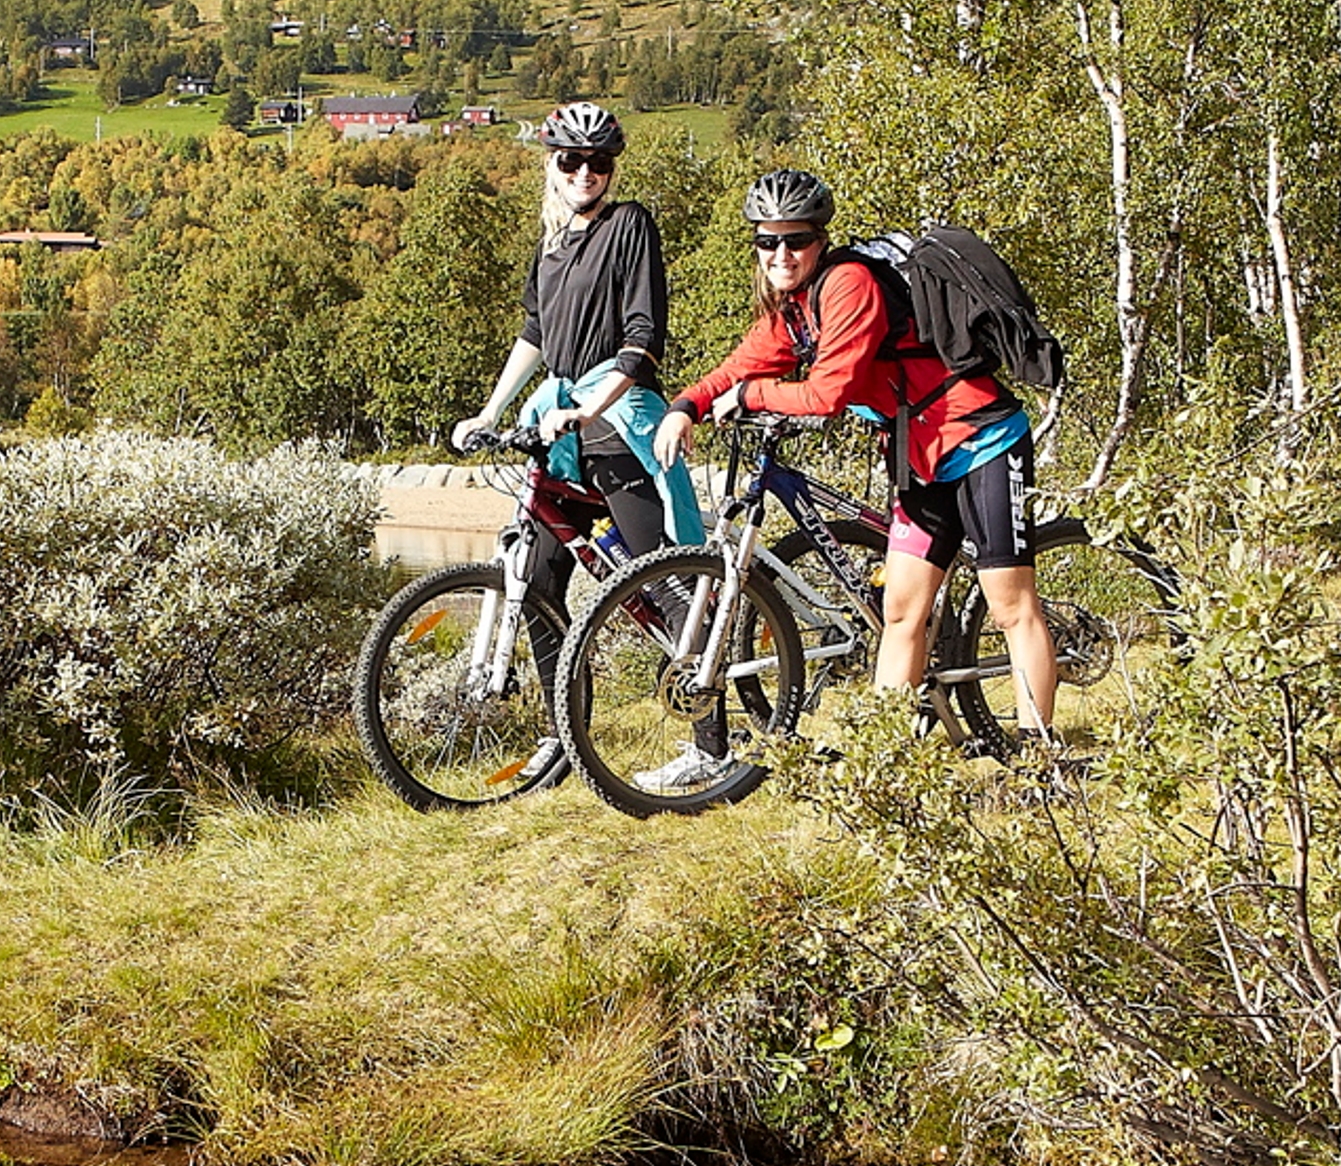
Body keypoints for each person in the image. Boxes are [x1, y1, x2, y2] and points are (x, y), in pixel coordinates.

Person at [653, 166, 1060, 741]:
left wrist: (750, 396)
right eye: (768, 240)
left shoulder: (848, 285)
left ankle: (1041, 764)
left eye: (796, 239)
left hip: (981, 438)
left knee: (1011, 606)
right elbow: (742, 363)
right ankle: (888, 763)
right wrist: (686, 405)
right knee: (900, 613)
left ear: (820, 240)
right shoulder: (794, 308)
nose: (782, 253)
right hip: (920, 459)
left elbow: (826, 395)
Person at [454, 103, 730, 795]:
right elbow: (536, 336)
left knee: (661, 577)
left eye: (599, 162)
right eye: (571, 160)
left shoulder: (628, 225)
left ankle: (713, 747)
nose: (585, 173)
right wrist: (490, 412)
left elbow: (642, 337)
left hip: (617, 421)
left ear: (613, 168)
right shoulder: (552, 244)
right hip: (563, 425)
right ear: (550, 163)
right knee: (542, 582)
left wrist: (590, 405)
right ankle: (564, 736)